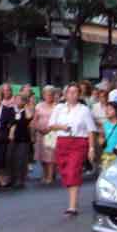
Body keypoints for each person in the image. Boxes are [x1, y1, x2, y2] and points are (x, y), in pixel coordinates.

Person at [48, 82, 97, 216]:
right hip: (63, 142)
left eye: (75, 92)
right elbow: (51, 125)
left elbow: (91, 130)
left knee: (73, 171)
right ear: (65, 94)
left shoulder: (84, 110)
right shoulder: (59, 108)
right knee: (65, 172)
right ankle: (73, 198)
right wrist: (62, 127)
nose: (72, 95)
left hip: (78, 142)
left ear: (79, 94)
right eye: (70, 92)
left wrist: (91, 148)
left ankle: (72, 206)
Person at [33, 85, 57, 185]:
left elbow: (60, 120)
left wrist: (50, 129)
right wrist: (38, 128)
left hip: (52, 132)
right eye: (47, 94)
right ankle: (45, 174)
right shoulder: (38, 105)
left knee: (51, 156)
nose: (49, 96)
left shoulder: (57, 106)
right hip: (40, 132)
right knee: (42, 155)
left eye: (51, 94)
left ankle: (50, 176)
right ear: (43, 95)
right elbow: (34, 120)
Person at [8, 93, 33, 189]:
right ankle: (12, 179)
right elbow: (9, 122)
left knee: (21, 159)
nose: (18, 101)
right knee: (11, 158)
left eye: (21, 100)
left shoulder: (26, 110)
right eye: (17, 99)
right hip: (12, 137)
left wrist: (26, 106)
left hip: (23, 137)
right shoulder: (10, 110)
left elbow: (29, 117)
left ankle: (20, 180)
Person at [99, 102, 117, 172]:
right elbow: (101, 137)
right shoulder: (104, 124)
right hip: (106, 155)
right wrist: (100, 141)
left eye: (110, 109)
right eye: (106, 109)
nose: (106, 111)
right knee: (106, 175)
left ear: (116, 111)